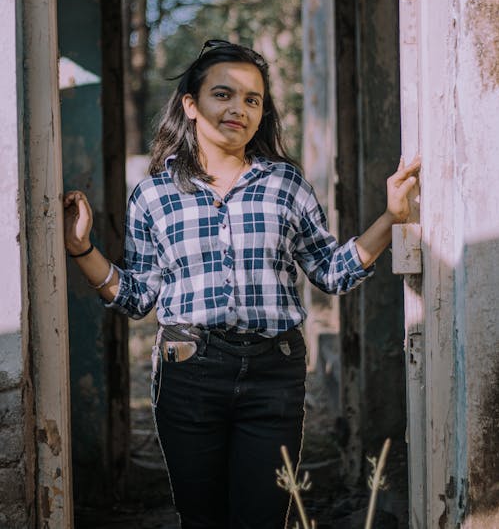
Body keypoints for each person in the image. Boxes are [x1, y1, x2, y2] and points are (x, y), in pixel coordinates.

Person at [64, 39, 420, 529]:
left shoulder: (286, 185)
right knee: (202, 519)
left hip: (275, 372)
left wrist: (392, 217)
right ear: (191, 105)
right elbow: (137, 296)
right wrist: (82, 248)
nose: (239, 108)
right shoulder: (152, 195)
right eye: (223, 94)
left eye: (253, 99)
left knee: (264, 516)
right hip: (188, 372)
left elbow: (331, 271)